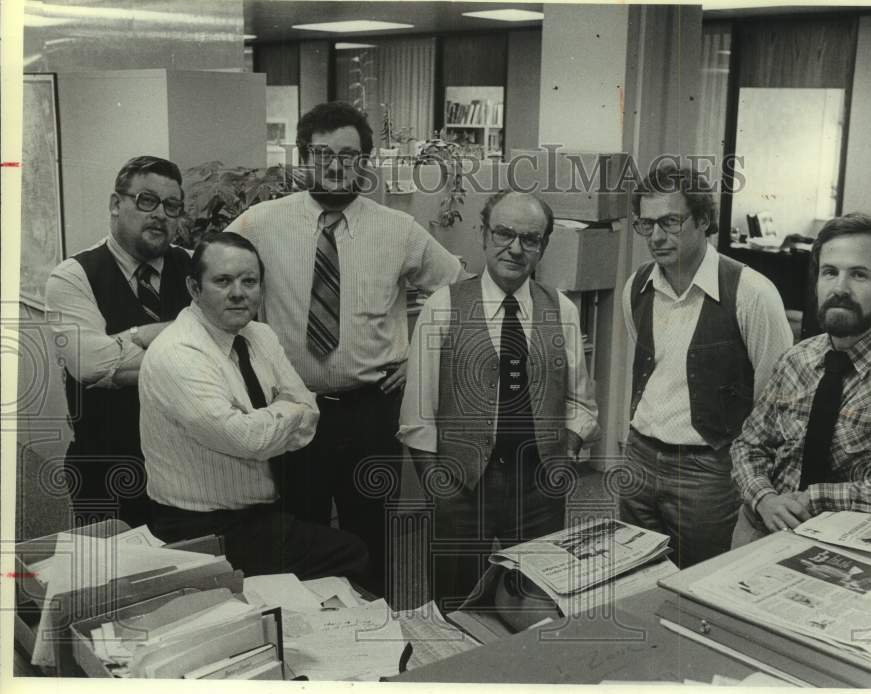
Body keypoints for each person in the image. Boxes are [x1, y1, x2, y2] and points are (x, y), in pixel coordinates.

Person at [227, 101, 463, 595]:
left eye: (350, 155)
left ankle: (373, 638)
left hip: (370, 413)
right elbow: (213, 279)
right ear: (302, 157)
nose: (336, 165)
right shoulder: (259, 223)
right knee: (296, 535)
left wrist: (422, 358)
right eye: (322, 153)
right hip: (291, 410)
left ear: (366, 162)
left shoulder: (398, 230)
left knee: (372, 532)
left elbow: (460, 292)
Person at [398, 191, 600, 608]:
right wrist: (441, 488)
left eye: (530, 238)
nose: (515, 248)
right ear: (483, 234)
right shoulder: (444, 307)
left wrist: (564, 456)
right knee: (457, 601)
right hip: (463, 486)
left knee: (535, 601)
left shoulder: (559, 308)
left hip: (539, 487)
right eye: (504, 233)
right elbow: (417, 415)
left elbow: (581, 402)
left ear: (543, 246)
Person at [138, 232, 367, 581]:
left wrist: (277, 414)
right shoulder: (179, 353)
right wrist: (288, 409)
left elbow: (309, 408)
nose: (238, 293)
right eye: (223, 281)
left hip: (260, 512)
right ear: (194, 288)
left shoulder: (259, 335)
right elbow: (249, 440)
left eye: (250, 281)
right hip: (201, 527)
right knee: (350, 554)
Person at [730, 213, 871, 547]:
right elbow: (748, 446)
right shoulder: (798, 358)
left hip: (844, 547)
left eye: (859, 275)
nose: (839, 288)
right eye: (829, 272)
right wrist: (764, 498)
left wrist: (818, 499)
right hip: (763, 525)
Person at [619, 164, 792, 568]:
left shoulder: (752, 293)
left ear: (703, 220)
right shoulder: (637, 286)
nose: (657, 237)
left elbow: (778, 400)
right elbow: (652, 372)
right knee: (634, 575)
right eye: (647, 224)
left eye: (671, 222)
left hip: (709, 470)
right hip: (640, 457)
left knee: (701, 579)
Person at [45, 156, 192, 525]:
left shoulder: (196, 267)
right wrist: (183, 340)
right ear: (116, 204)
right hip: (106, 468)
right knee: (111, 576)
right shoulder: (72, 277)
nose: (160, 214)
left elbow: (229, 348)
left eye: (171, 206)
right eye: (147, 200)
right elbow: (92, 365)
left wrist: (125, 340)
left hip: (189, 467)